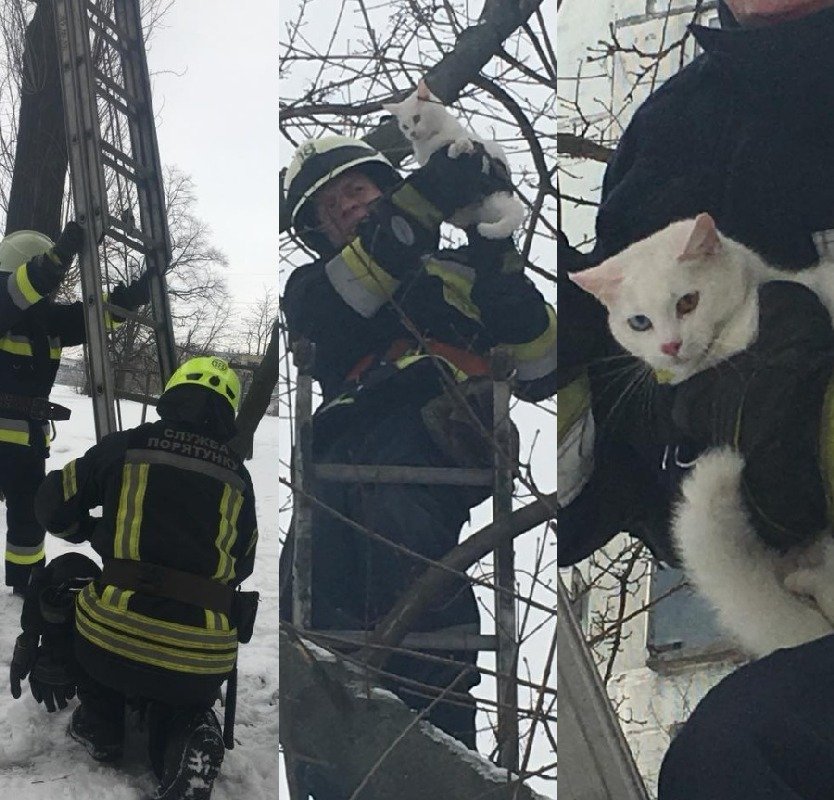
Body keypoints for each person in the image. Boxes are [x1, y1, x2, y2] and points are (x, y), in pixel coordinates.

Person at [557, 2, 834, 798]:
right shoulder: (676, 132)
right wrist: (706, 446)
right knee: (731, 760)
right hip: (799, 625)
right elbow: (614, 479)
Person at [279, 134, 556, 761]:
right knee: (309, 582)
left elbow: (543, 366)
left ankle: (438, 743)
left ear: (381, 185)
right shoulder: (316, 286)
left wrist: (497, 254)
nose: (345, 207)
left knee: (403, 544)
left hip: (435, 431)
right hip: (340, 448)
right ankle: (330, 743)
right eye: (328, 208)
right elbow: (340, 306)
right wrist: (426, 198)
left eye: (354, 189)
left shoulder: (461, 273)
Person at [9, 356, 259, 800]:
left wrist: (90, 533)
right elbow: (242, 566)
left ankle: (100, 720)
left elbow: (50, 504)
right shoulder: (238, 479)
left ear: (174, 393)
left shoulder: (126, 446)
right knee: (177, 692)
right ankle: (182, 734)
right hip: (200, 662)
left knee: (69, 572)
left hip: (109, 646)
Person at [0, 222, 151, 593]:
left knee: (28, 520)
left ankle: (25, 583)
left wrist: (130, 298)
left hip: (27, 440)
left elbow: (90, 319)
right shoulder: (4, 303)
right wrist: (58, 257)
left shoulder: (47, 321)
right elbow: (17, 293)